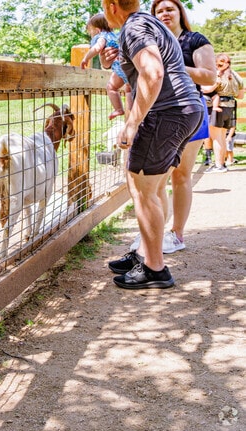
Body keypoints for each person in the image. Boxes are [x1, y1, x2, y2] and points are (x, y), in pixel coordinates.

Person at [101, 0, 204, 289]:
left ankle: (155, 268)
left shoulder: (134, 26)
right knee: (154, 185)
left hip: (166, 113)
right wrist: (115, 61)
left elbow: (153, 72)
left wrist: (132, 122)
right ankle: (145, 253)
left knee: (141, 188)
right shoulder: (149, 22)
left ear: (111, 6)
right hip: (187, 110)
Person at [125, 0, 216, 254]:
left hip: (188, 111)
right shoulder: (150, 40)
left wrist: (174, 68)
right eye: (158, 11)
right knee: (157, 180)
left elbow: (210, 76)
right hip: (159, 114)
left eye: (169, 9)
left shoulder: (194, 40)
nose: (164, 14)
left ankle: (177, 234)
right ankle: (154, 236)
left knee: (181, 174)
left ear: (180, 13)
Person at [81, 13, 133, 120]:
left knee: (111, 87)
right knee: (129, 89)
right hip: (128, 66)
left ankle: (119, 109)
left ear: (97, 30)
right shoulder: (116, 35)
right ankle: (133, 112)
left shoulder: (101, 36)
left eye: (90, 32)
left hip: (119, 68)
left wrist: (86, 58)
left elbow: (97, 48)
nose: (91, 35)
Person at [202, 53, 244, 173]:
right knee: (222, 137)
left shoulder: (217, 74)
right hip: (230, 107)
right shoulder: (236, 76)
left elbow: (208, 89)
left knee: (216, 138)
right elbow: (240, 96)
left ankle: (218, 165)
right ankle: (222, 164)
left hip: (217, 107)